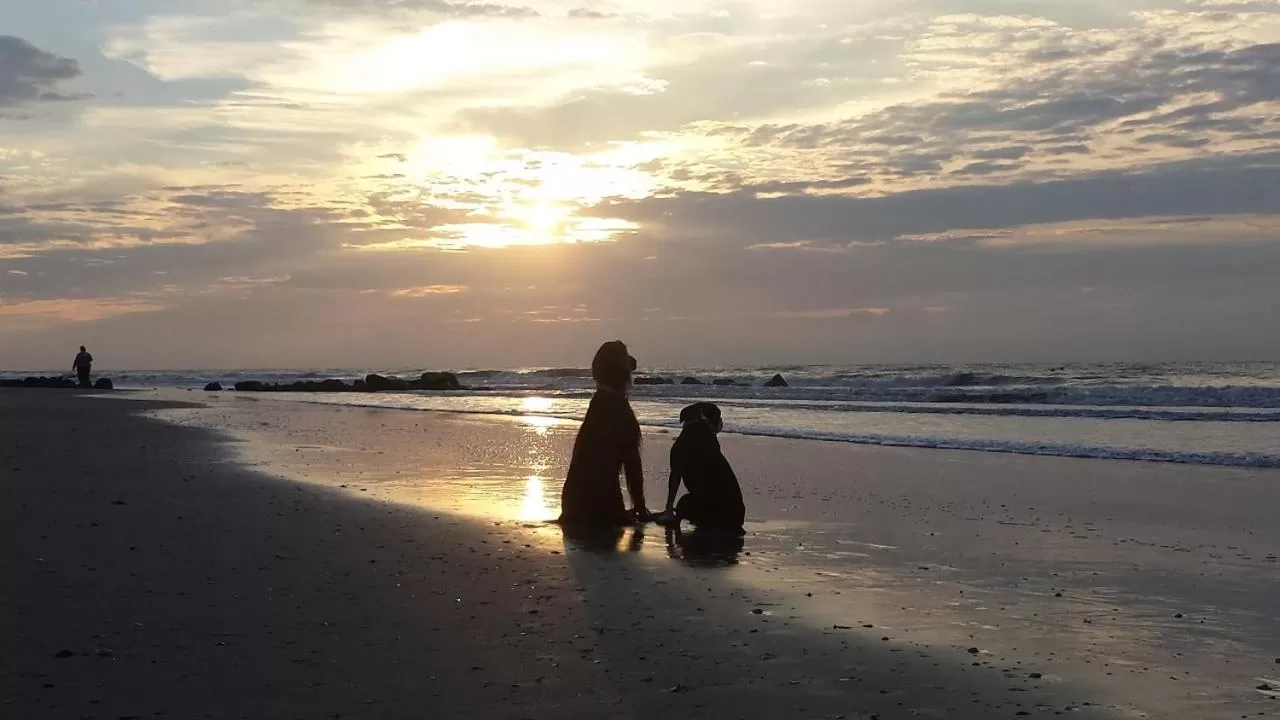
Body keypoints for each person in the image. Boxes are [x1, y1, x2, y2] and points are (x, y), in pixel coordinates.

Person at [558, 341, 650, 526]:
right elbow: (632, 463)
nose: (631, 361)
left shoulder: (598, 407)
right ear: (617, 367)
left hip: (573, 505)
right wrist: (640, 508)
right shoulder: (618, 410)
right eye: (625, 356)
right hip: (602, 507)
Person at [658, 402, 745, 531]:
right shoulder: (710, 442)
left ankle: (672, 515)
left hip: (715, 512)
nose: (720, 422)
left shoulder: (680, 445)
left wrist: (669, 507)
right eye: (718, 418)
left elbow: (675, 477)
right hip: (736, 515)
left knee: (684, 503)